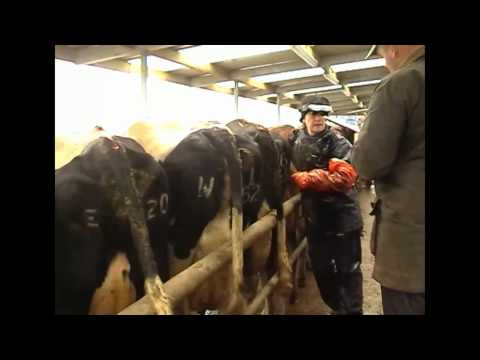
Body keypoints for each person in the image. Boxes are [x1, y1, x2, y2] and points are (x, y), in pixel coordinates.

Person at [352, 45, 425, 314]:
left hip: (412, 252)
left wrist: (359, 143)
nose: (384, 63)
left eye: (382, 54)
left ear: (393, 49)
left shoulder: (402, 82)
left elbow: (369, 163)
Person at [289, 95, 364, 315]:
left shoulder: (338, 143)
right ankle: (338, 307)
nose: (319, 119)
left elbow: (345, 177)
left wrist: (308, 178)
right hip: (316, 220)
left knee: (348, 270)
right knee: (321, 269)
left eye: (323, 114)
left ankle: (351, 311)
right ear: (304, 117)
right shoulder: (295, 140)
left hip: (343, 218)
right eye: (313, 114)